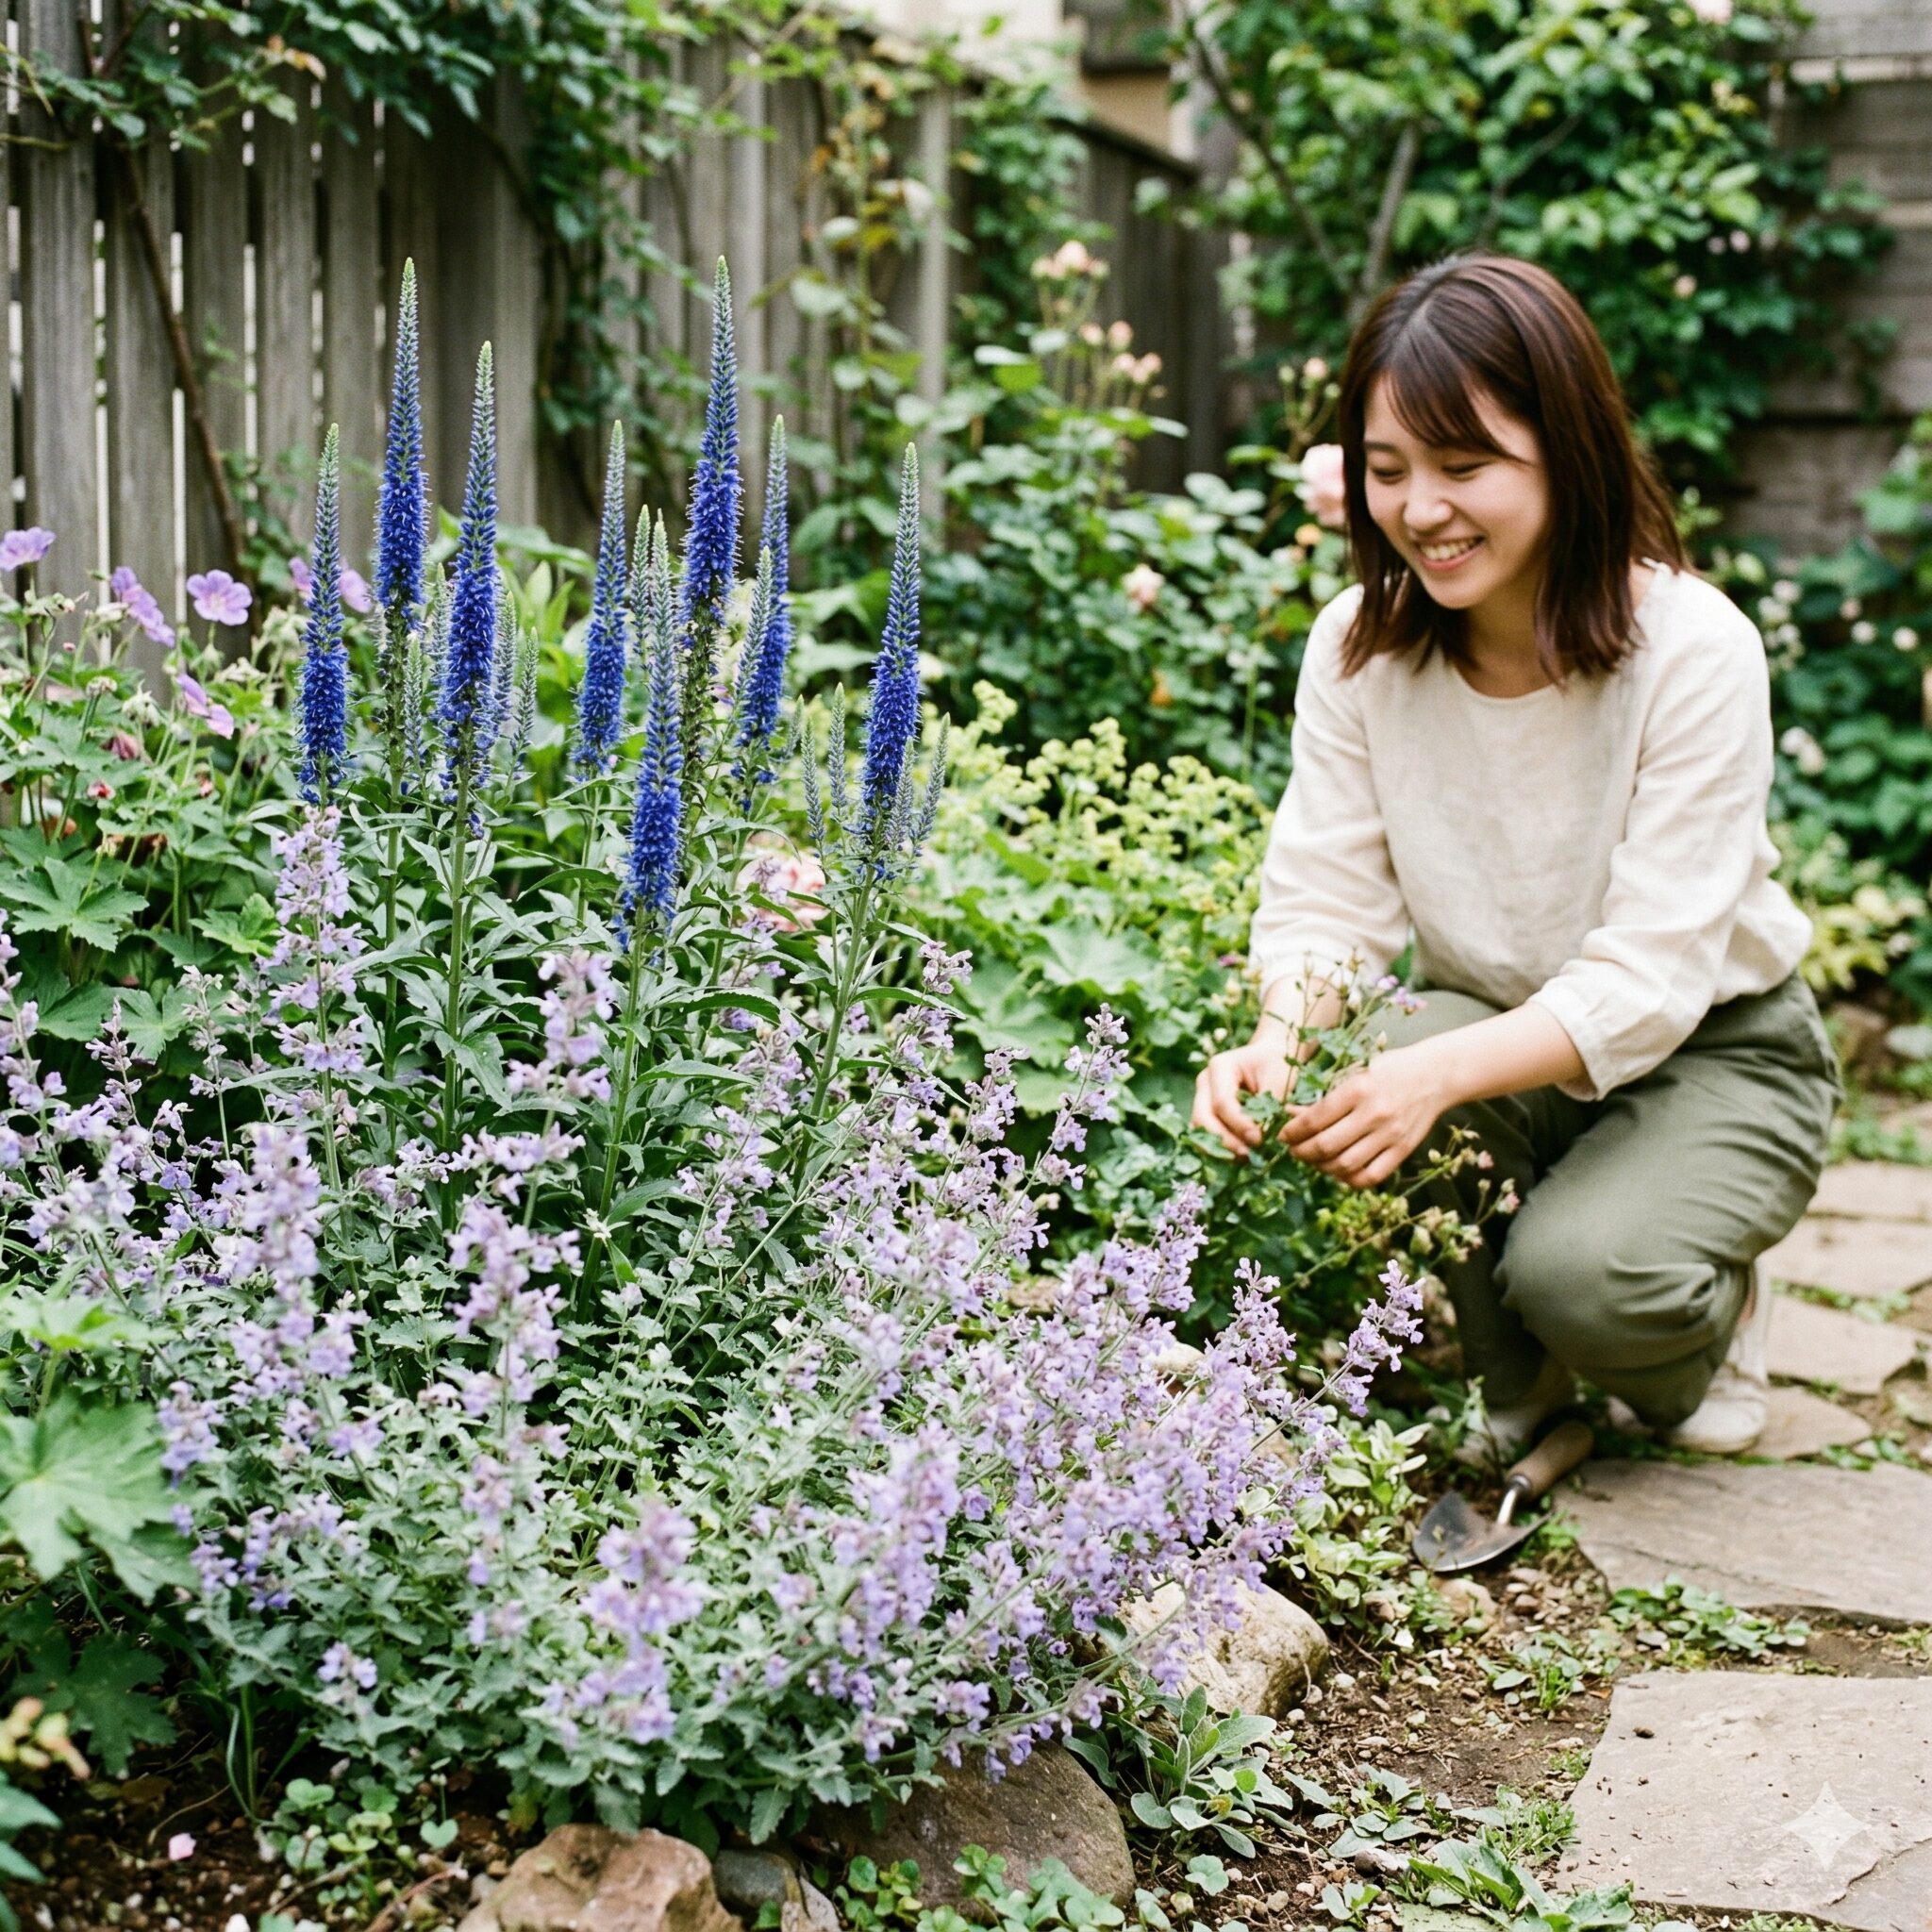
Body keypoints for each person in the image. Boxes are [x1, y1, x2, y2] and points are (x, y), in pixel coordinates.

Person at [1191, 253, 1840, 1460]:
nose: (1419, 507)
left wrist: (1433, 1077)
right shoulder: (1360, 648)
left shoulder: (1690, 649)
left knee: (1586, 1274)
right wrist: (1281, 1040)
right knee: (1366, 1062)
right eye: (1386, 470)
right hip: (1501, 1028)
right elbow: (1325, 897)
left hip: (1716, 1047)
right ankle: (1526, 1390)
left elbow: (1651, 976)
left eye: (1463, 463)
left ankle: (1695, 1313)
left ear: (1566, 449)